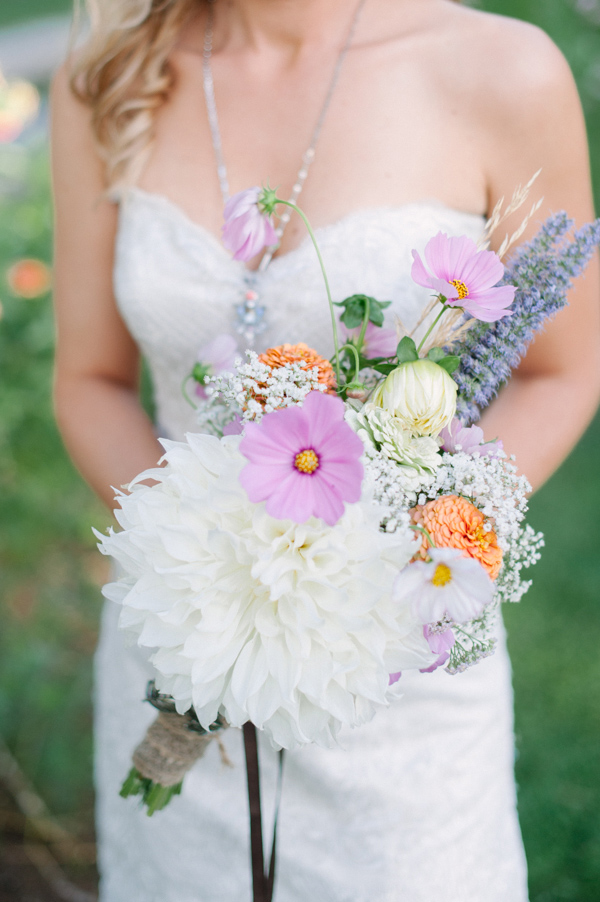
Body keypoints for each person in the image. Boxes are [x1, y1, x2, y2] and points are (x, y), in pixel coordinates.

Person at [51, 1, 600, 900]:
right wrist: (205, 579)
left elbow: (562, 370)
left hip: (400, 665)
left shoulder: (505, 70)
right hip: (188, 643)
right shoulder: (113, 71)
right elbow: (89, 379)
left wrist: (410, 542)